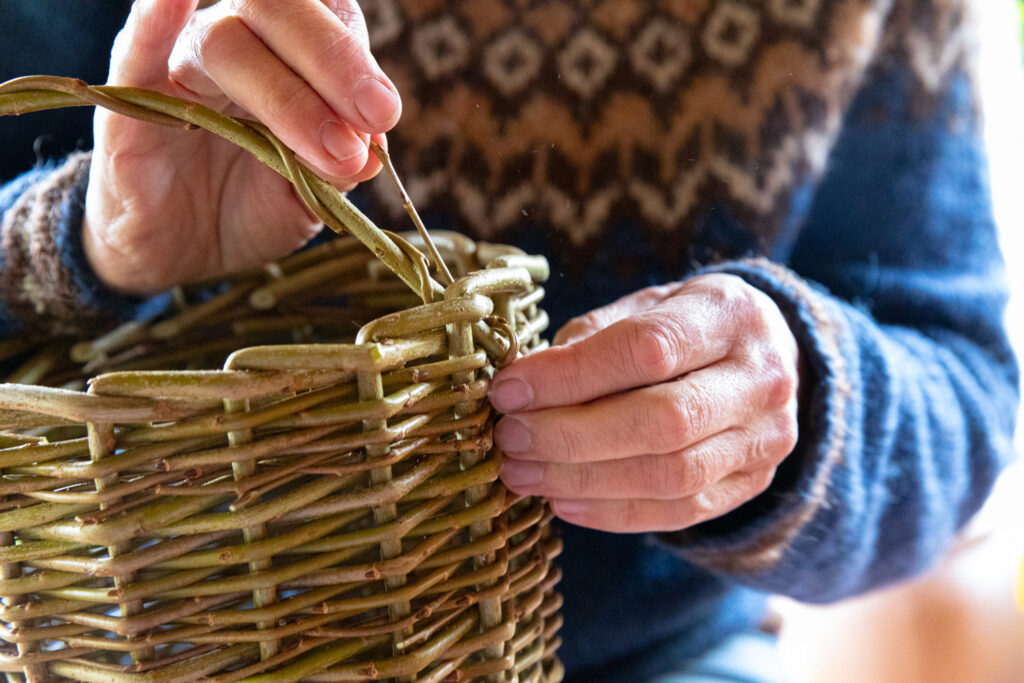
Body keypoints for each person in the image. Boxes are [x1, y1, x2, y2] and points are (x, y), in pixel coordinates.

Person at [0, 1, 1018, 681]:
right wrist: (84, 238)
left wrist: (793, 398)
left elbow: (965, 383)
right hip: (129, 646)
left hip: (647, 655)